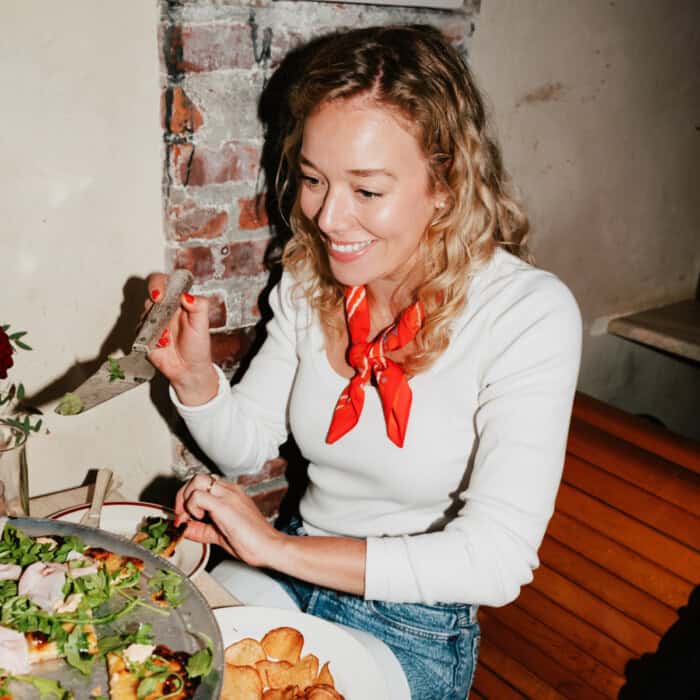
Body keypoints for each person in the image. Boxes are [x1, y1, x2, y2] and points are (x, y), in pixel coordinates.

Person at [148, 24, 582, 700]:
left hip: (412, 622)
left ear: (446, 185)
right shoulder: (309, 278)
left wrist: (276, 547)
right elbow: (247, 447)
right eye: (315, 180)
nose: (327, 218)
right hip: (287, 574)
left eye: (368, 190)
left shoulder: (526, 314)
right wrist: (196, 380)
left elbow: (496, 562)